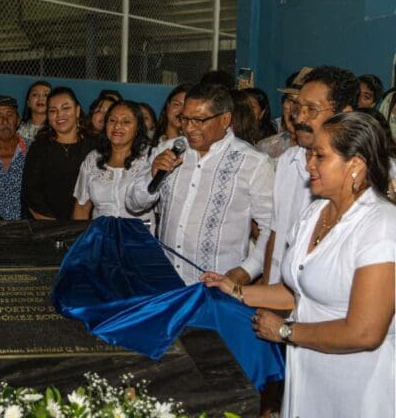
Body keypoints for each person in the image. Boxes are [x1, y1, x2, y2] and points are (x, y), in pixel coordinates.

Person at [202, 112, 395, 418]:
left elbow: (365, 332)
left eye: (320, 156)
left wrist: (286, 331)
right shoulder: (314, 214)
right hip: (308, 370)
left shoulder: (381, 226)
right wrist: (237, 291)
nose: (309, 165)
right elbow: (301, 291)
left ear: (355, 164)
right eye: (309, 154)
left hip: (358, 382)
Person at [126, 83, 274, 285]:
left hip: (218, 285)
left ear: (225, 119)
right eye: (184, 119)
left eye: (199, 120)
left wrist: (246, 271)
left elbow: (270, 228)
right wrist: (151, 176)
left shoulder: (253, 163)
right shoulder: (170, 149)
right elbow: (133, 204)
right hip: (167, 281)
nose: (188, 127)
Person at [264, 66, 358, 284]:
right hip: (278, 298)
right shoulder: (288, 161)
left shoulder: (374, 173)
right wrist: (265, 293)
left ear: (345, 113)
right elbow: (277, 234)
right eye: (297, 107)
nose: (299, 118)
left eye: (312, 110)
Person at [73, 101, 155, 230]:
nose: (117, 126)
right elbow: (81, 206)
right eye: (112, 120)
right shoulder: (93, 159)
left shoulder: (150, 157)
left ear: (137, 128)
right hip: (101, 237)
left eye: (126, 121)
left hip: (138, 240)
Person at [23, 86, 97, 220]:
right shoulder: (39, 147)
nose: (59, 115)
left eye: (66, 108)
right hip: (46, 228)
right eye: (53, 111)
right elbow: (31, 194)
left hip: (87, 228)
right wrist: (56, 229)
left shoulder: (94, 147)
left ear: (77, 110)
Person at [149, 83, 192, 150]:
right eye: (177, 104)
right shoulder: (149, 139)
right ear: (168, 105)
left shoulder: (193, 146)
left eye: (187, 106)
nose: (181, 111)